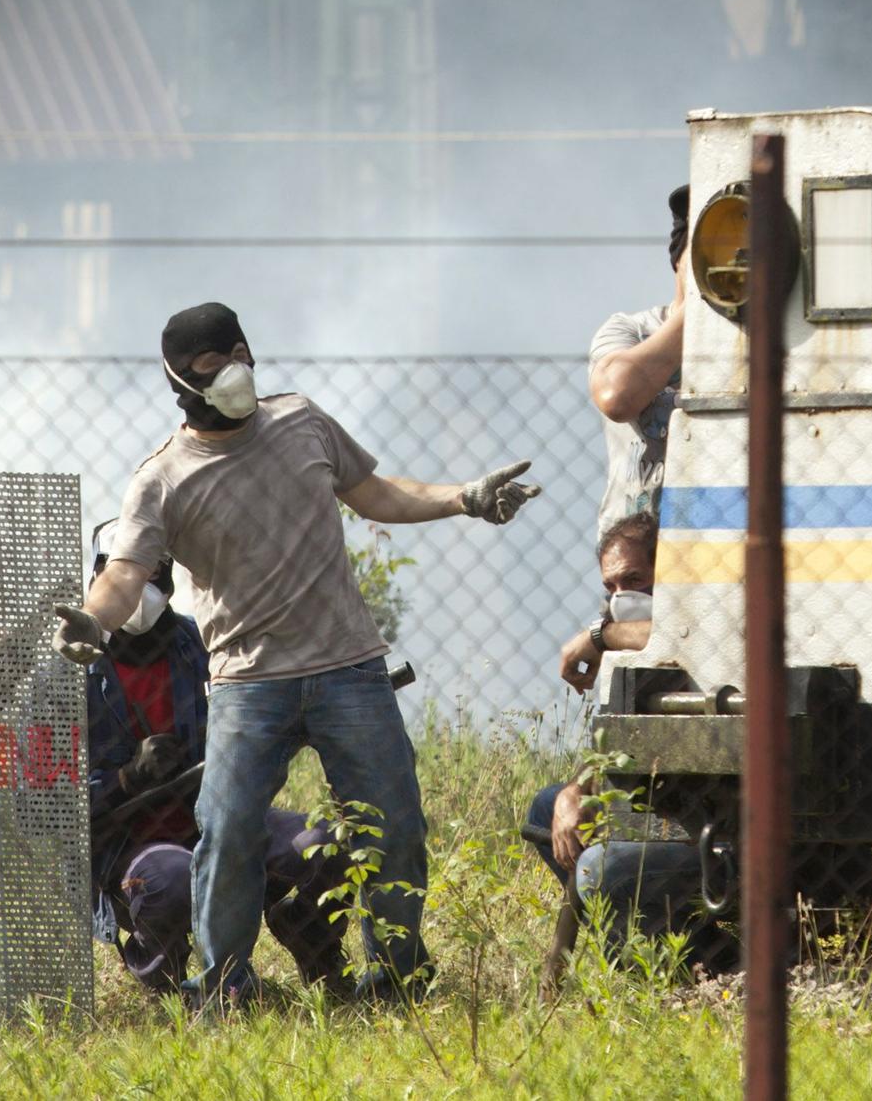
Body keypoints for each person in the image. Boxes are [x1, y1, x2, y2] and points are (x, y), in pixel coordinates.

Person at [53, 302, 541, 1005]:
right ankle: (224, 990)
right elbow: (124, 576)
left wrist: (463, 498)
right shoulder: (161, 479)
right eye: (209, 366)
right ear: (179, 384)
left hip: (348, 667)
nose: (232, 373)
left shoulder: (302, 422)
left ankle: (396, 977)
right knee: (226, 834)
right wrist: (93, 626)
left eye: (238, 353)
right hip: (250, 685)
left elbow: (374, 492)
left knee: (393, 825)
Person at [82, 525, 348, 993]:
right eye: (119, 573)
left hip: (221, 823)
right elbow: (51, 804)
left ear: (169, 580)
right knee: (172, 878)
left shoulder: (202, 644)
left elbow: (261, 717)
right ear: (97, 578)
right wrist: (125, 779)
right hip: (133, 845)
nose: (137, 588)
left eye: (153, 573)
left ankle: (314, 949)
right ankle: (165, 988)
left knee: (323, 843)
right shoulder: (73, 672)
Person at [527, 512, 734, 972]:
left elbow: (680, 633)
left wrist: (599, 636)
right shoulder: (631, 652)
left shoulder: (711, 623)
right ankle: (643, 945)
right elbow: (611, 744)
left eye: (636, 580)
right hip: (661, 809)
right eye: (612, 588)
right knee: (547, 809)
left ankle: (683, 965)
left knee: (602, 867)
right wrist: (573, 792)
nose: (623, 598)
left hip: (716, 826)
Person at [587, 184, 692, 542]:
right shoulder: (630, 329)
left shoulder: (766, 345)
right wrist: (704, 307)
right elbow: (618, 396)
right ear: (679, 257)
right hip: (637, 557)